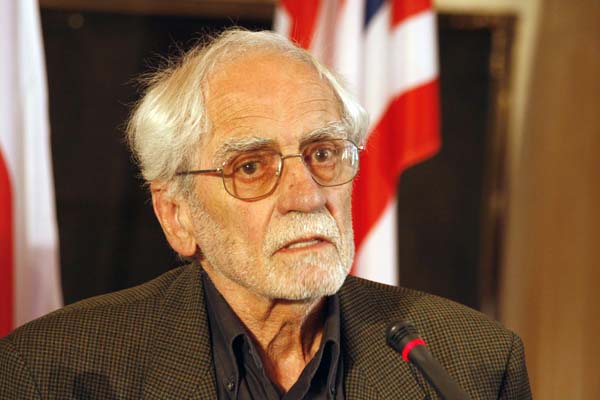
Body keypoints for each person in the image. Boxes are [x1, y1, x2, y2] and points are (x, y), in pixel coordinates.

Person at [0, 29, 531, 399]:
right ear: (177, 216)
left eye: (323, 153)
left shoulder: (473, 362)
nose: (307, 195)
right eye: (251, 167)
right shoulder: (50, 371)